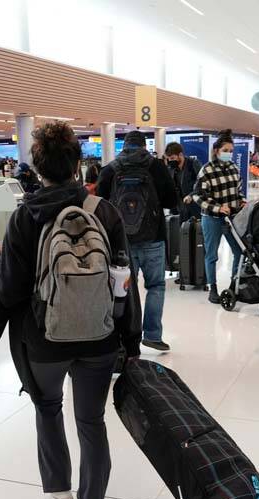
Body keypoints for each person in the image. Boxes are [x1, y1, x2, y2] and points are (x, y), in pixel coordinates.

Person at [0, 121, 141, 499]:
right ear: (78, 164)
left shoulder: (25, 216)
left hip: (44, 340)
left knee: (48, 408)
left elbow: (7, 290)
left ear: (37, 168)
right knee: (91, 422)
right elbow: (124, 281)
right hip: (99, 336)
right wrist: (130, 339)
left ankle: (58, 492)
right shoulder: (105, 212)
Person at [97, 129, 178, 351]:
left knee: (123, 291)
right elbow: (172, 200)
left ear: (124, 146)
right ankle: (152, 334)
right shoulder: (157, 167)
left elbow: (99, 203)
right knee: (156, 286)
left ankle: (125, 340)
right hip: (154, 238)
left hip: (121, 240)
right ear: (144, 146)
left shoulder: (111, 169)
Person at [192, 130, 245, 304]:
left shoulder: (234, 169)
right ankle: (212, 288)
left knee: (239, 252)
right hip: (212, 219)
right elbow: (197, 196)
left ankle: (233, 285)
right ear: (217, 150)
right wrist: (217, 208)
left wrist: (242, 202)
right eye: (226, 150)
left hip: (231, 219)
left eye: (231, 151)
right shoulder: (206, 170)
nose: (228, 154)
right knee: (212, 255)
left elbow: (238, 192)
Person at [164, 141, 201, 220]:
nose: (170, 161)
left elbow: (202, 184)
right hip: (179, 210)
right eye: (169, 159)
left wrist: (191, 195)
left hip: (194, 208)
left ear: (180, 155)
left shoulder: (193, 164)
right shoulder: (171, 168)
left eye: (172, 158)